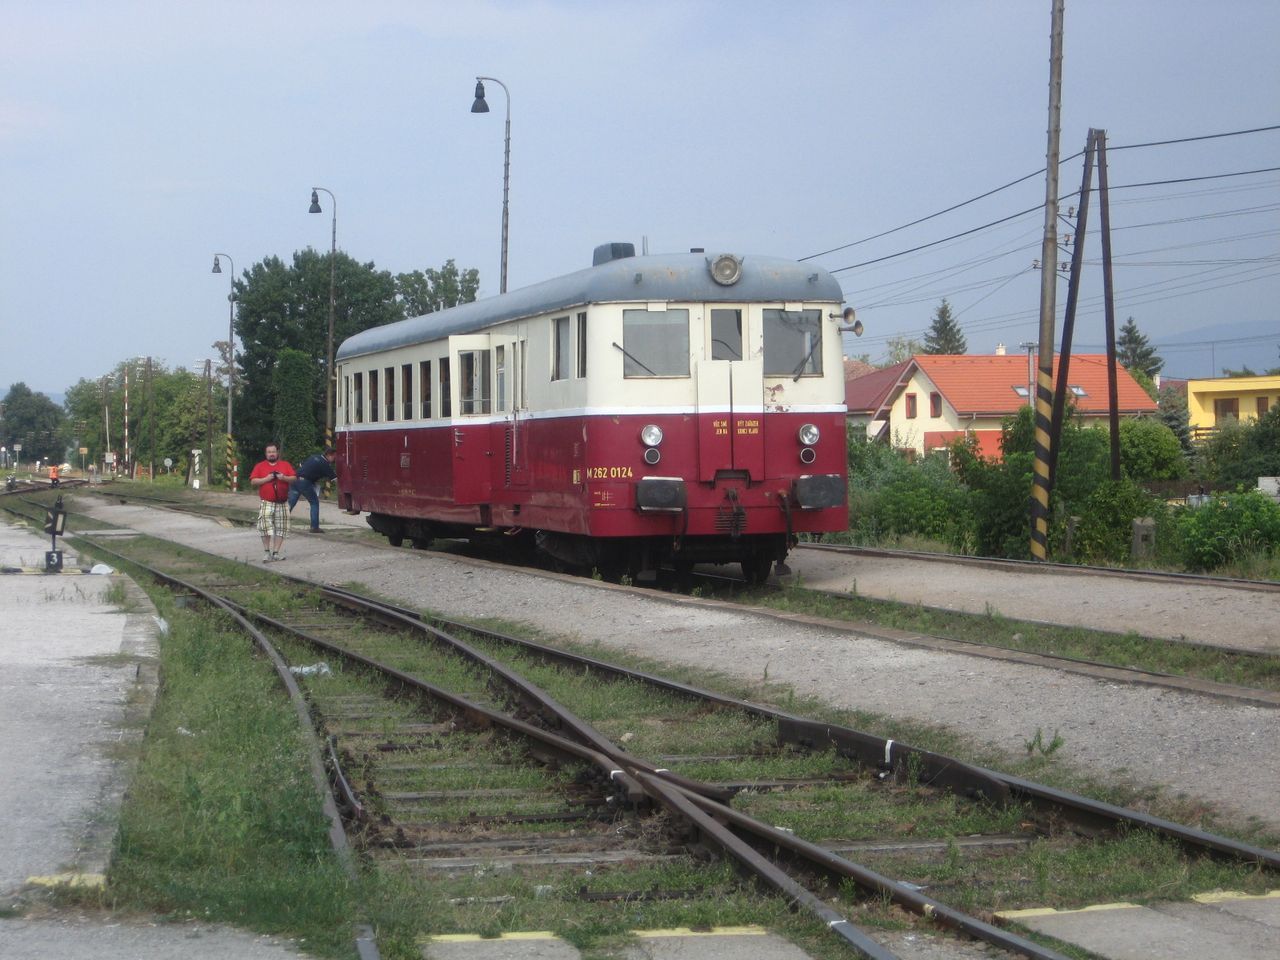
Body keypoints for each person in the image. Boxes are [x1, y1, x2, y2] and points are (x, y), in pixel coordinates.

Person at [249, 443, 296, 562]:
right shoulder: (259, 466)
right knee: (264, 527)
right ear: (266, 454)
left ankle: (276, 553)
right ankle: (266, 552)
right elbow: (253, 481)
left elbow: (294, 478)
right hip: (267, 502)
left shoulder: (285, 465)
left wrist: (283, 478)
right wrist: (267, 479)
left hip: (282, 502)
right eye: (269, 452)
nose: (271, 454)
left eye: (273, 452)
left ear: (277, 453)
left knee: (282, 528)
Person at [288, 447, 338, 533]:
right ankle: (314, 527)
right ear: (329, 455)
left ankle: (278, 521)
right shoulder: (325, 464)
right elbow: (335, 479)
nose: (334, 459)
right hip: (305, 482)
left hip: (295, 480)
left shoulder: (314, 457)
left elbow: (301, 465)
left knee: (291, 503)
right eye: (334, 457)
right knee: (314, 502)